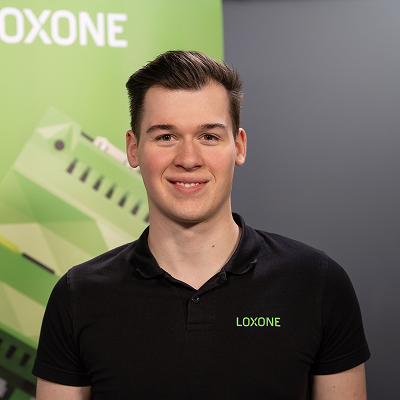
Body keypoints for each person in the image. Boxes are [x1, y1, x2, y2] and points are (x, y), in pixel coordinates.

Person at [33, 51, 370, 399]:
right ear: (133, 149)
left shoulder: (317, 283)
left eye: (209, 136)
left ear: (238, 147)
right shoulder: (78, 295)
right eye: (166, 136)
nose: (188, 159)